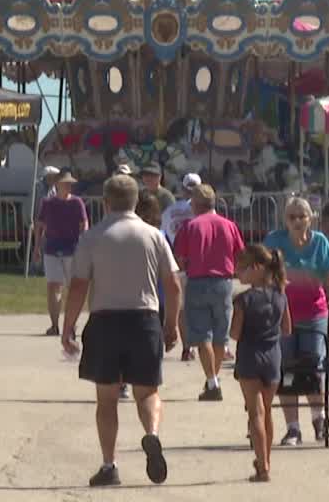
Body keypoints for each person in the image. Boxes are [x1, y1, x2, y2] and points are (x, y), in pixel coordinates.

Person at [61, 174, 181, 488]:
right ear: (135, 202)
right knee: (148, 392)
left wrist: (68, 327)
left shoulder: (93, 237)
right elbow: (173, 284)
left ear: (105, 202)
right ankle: (152, 434)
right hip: (144, 320)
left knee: (107, 400)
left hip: (106, 321)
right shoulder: (154, 235)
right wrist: (171, 325)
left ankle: (109, 464)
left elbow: (78, 286)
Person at [263, 196, 329, 446]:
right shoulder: (275, 241)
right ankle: (293, 428)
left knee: (312, 367)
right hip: (283, 313)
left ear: (311, 218)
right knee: (286, 369)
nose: (297, 221)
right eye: (292, 217)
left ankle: (318, 419)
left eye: (302, 216)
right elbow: (263, 270)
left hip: (314, 311)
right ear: (285, 220)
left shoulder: (319, 242)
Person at [172, 184, 244, 401]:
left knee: (202, 334)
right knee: (220, 334)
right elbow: (240, 254)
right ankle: (214, 377)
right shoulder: (229, 226)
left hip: (197, 281)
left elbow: (180, 259)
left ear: (196, 204)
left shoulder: (190, 226)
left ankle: (212, 381)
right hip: (223, 282)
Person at [231, 244, 291, 483]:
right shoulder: (280, 295)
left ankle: (262, 466)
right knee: (267, 413)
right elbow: (287, 328)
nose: (238, 274)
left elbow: (235, 333)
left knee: (255, 413)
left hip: (249, 357)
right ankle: (266, 460)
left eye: (242, 269)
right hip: (273, 357)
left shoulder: (243, 300)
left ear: (256, 268)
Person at [33, 171, 88, 336]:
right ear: (57, 184)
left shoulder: (77, 202)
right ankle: (54, 325)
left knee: (73, 287)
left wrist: (84, 240)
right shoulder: (47, 203)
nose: (68, 186)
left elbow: (84, 223)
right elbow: (40, 225)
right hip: (52, 248)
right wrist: (36, 247)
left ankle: (70, 325)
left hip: (72, 249)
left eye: (70, 183)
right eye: (65, 183)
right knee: (53, 286)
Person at [161, 173, 202, 361]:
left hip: (180, 260)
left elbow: (165, 235)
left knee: (183, 307)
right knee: (198, 306)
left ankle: (188, 347)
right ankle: (199, 345)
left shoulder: (170, 211)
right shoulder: (207, 210)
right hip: (200, 262)